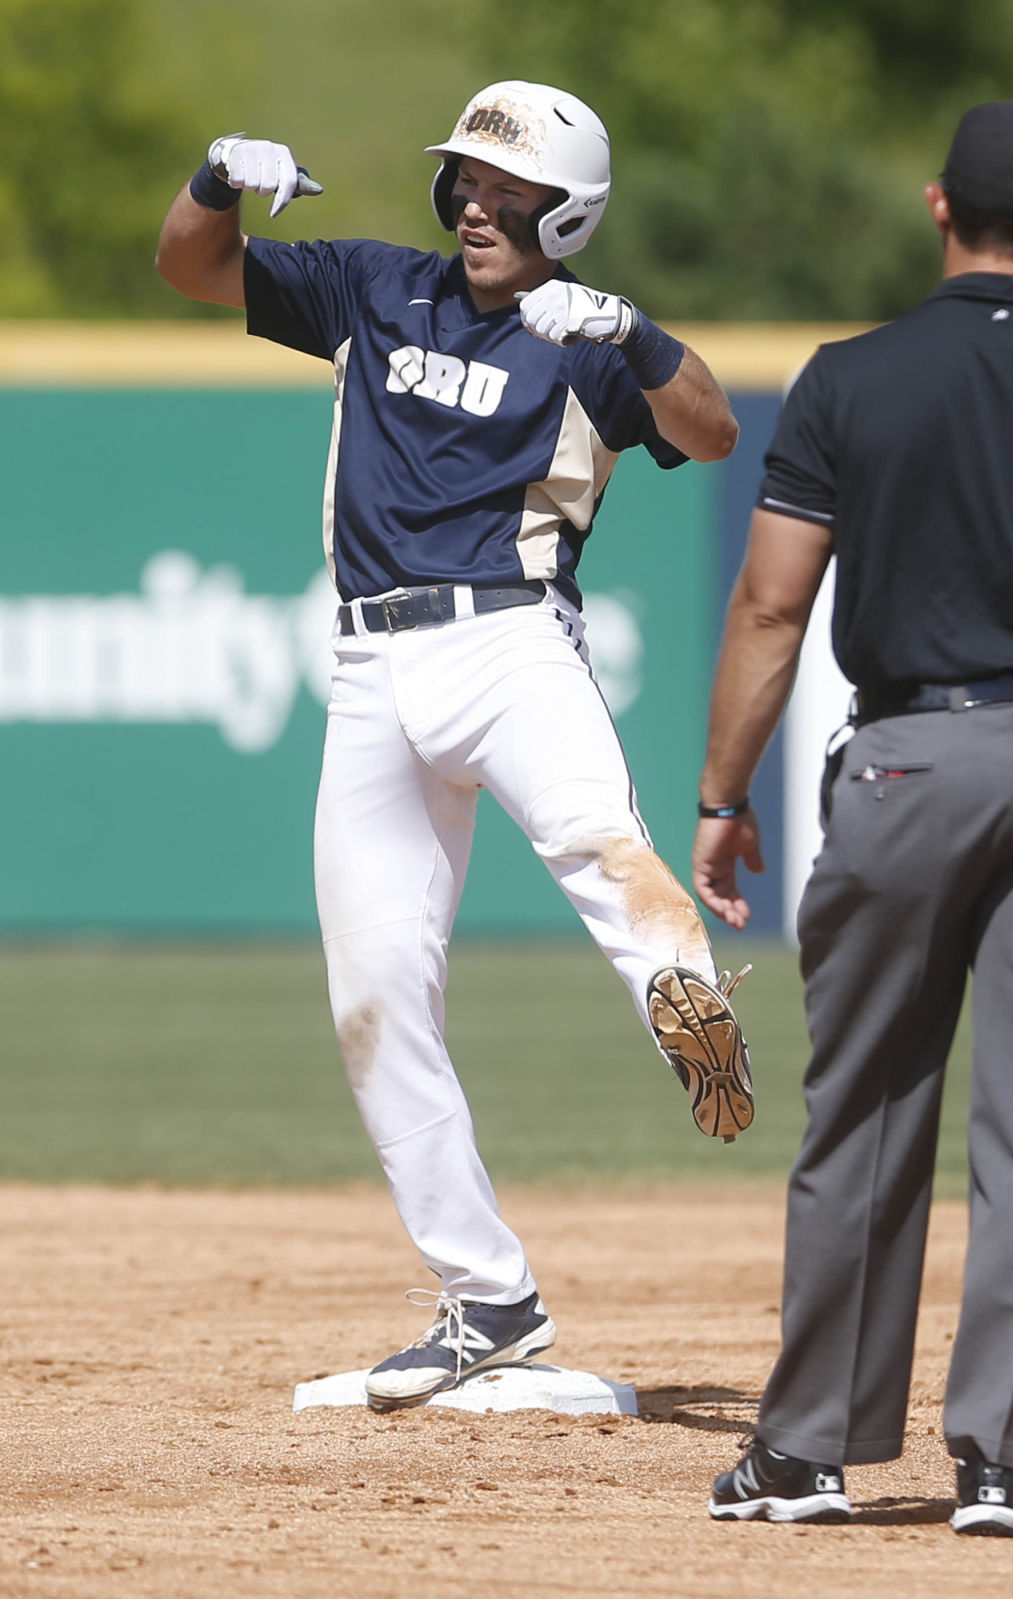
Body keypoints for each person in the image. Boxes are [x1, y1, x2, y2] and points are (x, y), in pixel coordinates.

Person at [155, 81, 755, 1411]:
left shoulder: (586, 337)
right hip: (368, 666)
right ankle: (487, 1300)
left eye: (511, 189)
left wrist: (633, 331)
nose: (480, 205)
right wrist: (215, 175)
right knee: (374, 996)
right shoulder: (375, 286)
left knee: (610, 853)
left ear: (572, 211)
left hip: (511, 644)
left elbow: (712, 431)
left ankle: (690, 1003)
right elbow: (192, 267)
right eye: (469, 182)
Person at [693, 101, 1013, 1535]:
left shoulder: (851, 381)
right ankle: (999, 1464)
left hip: (910, 759)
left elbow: (772, 604)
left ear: (939, 209)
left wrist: (721, 797)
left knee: (865, 1103)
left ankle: (806, 1454)